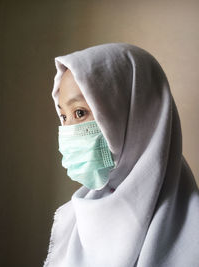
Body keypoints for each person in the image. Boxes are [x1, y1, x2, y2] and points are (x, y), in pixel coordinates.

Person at [43, 43, 199, 267]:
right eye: (64, 116)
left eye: (80, 112)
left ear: (135, 114)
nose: (68, 131)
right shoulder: (78, 217)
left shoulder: (193, 232)